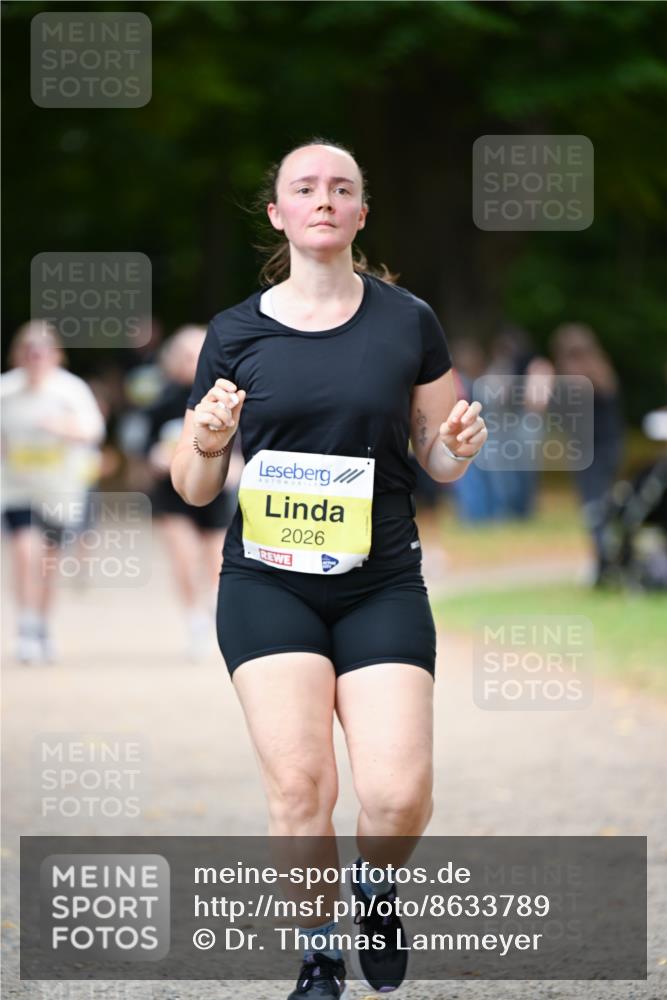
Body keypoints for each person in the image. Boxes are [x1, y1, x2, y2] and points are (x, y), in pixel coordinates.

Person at [171, 139, 487, 999]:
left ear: (359, 214)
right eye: (303, 188)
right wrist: (204, 438)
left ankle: (376, 887)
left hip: (379, 580)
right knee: (302, 784)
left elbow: (437, 451)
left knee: (396, 796)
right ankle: (318, 952)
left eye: (339, 189)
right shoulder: (235, 332)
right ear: (278, 213)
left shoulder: (406, 320)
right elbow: (194, 485)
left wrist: (454, 448)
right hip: (267, 583)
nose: (322, 199)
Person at [1, 321, 106, 663]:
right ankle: (26, 626)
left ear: (54, 355)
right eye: (29, 351)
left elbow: (94, 431)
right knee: (23, 552)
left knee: (47, 563)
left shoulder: (70, 390)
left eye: (42, 351)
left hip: (60, 490)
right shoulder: (6, 391)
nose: (35, 358)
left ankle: (42, 623)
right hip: (17, 488)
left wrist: (61, 428)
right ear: (19, 355)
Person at [145, 325, 239, 659]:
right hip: (172, 491)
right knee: (183, 555)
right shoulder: (161, 400)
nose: (191, 362)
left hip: (217, 490)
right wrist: (155, 458)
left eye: (197, 355)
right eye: (184, 355)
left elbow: (242, 449)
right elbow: (145, 448)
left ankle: (216, 614)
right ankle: (194, 620)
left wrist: (235, 470)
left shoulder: (227, 397)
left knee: (216, 558)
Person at [550, 322, 624, 586]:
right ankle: (606, 559)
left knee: (593, 508)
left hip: (590, 452)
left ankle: (604, 562)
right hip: (609, 447)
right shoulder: (603, 373)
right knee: (601, 506)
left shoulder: (575, 381)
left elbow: (560, 416)